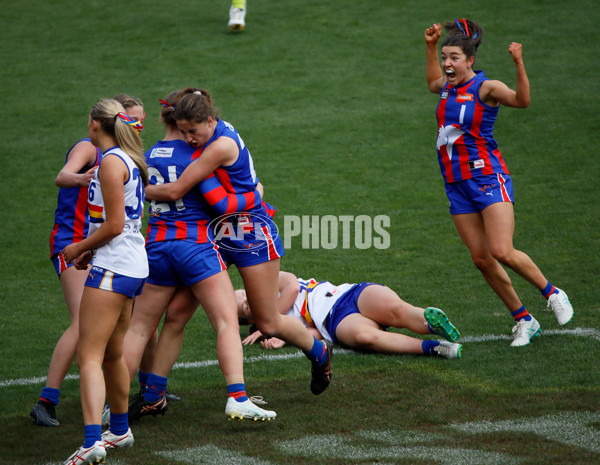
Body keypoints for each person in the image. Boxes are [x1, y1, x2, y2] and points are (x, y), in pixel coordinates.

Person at [145, 87, 333, 396]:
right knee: (177, 313)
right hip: (216, 235)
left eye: (193, 131)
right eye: (183, 132)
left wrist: (140, 189)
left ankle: (319, 352)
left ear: (208, 121)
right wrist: (255, 192)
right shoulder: (210, 136)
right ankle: (153, 395)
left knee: (269, 323)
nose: (189, 138)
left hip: (249, 234)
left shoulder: (216, 147)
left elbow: (216, 203)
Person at [122, 91, 276, 422]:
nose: (192, 137)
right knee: (226, 321)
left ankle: (117, 406)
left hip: (156, 248)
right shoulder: (200, 155)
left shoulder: (146, 156)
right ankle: (237, 396)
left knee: (141, 328)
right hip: (195, 247)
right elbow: (217, 203)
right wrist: (256, 194)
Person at [424, 19, 573, 347]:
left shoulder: (485, 88)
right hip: (456, 184)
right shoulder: (447, 86)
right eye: (445, 57)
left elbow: (522, 101)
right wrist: (430, 46)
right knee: (481, 259)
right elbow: (433, 80)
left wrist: (519, 63)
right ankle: (524, 319)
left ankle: (552, 294)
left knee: (502, 250)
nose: (448, 64)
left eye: (454, 58)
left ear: (470, 61)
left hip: (488, 177)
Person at [31, 95, 145, 428]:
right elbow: (62, 176)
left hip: (98, 249)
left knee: (104, 346)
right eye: (133, 120)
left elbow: (115, 223)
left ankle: (107, 424)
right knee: (95, 335)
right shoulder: (99, 152)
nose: (137, 127)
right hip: (81, 243)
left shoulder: (117, 160)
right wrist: (84, 178)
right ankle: (50, 401)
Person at [62, 98, 149, 465]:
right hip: (130, 265)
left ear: (95, 123)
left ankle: (91, 441)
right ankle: (120, 429)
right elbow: (119, 225)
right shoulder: (125, 159)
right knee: (113, 352)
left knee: (89, 356)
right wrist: (90, 252)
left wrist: (77, 248)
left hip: (114, 268)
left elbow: (114, 225)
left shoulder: (110, 164)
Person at [238, 271, 462, 359]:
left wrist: (269, 322)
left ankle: (431, 322)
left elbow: (293, 287)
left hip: (350, 293)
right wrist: (286, 336)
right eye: (247, 307)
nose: (250, 299)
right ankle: (435, 347)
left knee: (397, 310)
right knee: (367, 338)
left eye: (245, 294)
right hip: (336, 321)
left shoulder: (268, 280)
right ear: (250, 320)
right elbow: (314, 332)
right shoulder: (279, 326)